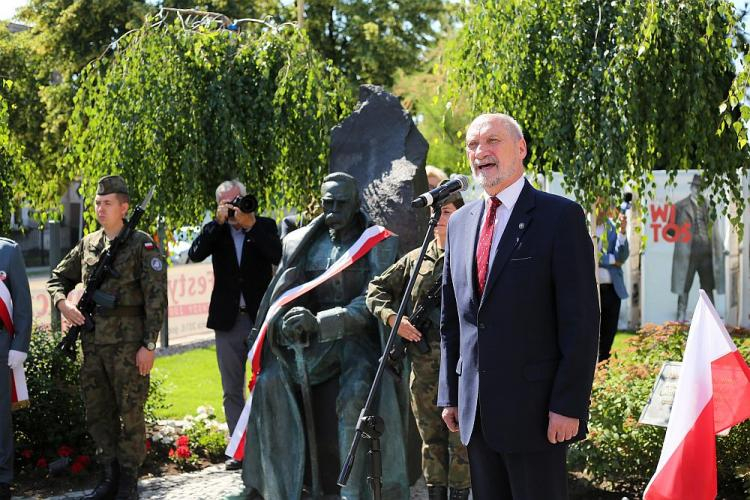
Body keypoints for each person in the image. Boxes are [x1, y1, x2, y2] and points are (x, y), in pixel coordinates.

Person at [438, 113, 599, 499]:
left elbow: (581, 321)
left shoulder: (559, 217)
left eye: (492, 141)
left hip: (537, 413)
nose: (481, 152)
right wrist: (451, 393)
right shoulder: (459, 223)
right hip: (476, 413)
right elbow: (452, 320)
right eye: (473, 145)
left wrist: (568, 403)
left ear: (521, 148)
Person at [241, 172, 409, 500]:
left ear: (356, 203)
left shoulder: (380, 242)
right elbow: (287, 294)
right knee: (269, 379)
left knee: (356, 393)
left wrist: (322, 321)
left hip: (356, 338)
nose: (333, 210)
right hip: (313, 343)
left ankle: (351, 491)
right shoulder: (299, 241)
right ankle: (275, 486)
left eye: (340, 203)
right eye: (327, 203)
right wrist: (288, 320)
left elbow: (372, 301)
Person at [47, 175, 167, 500]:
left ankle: (128, 481)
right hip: (93, 347)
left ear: (124, 207)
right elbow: (58, 276)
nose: (100, 208)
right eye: (97, 203)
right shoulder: (88, 244)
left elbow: (156, 299)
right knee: (98, 413)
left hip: (129, 348)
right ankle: (109, 476)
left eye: (107, 203)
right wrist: (63, 304)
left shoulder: (142, 244)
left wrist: (149, 345)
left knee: (130, 414)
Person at [367, 188, 470, 500]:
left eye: (448, 212)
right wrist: (394, 321)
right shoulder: (415, 259)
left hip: (461, 366)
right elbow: (376, 290)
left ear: (462, 216)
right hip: (423, 367)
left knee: (461, 442)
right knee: (430, 440)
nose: (439, 218)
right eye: (435, 213)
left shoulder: (470, 255)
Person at [187, 180, 281, 470]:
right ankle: (240, 449)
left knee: (266, 383)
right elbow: (195, 253)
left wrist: (249, 225)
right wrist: (217, 224)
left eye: (238, 199)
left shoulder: (263, 225)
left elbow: (277, 255)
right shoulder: (215, 231)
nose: (235, 206)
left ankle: (269, 446)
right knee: (231, 389)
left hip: (259, 319)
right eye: (228, 202)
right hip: (228, 321)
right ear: (219, 205)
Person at [0, 239, 32, 500]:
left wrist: (19, 344)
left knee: (0, 417)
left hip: (0, 346)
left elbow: (22, 301)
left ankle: (2, 479)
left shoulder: (7, 252)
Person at [670, 174, 724, 321]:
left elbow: (714, 228)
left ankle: (711, 317)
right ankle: (681, 315)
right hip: (688, 252)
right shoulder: (680, 206)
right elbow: (670, 229)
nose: (697, 190)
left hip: (706, 253)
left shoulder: (709, 205)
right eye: (696, 187)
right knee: (684, 285)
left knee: (707, 286)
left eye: (700, 188)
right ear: (691, 187)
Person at [594, 203, 629, 362]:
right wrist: (611, 259)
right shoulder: (587, 225)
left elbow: (621, 257)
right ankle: (593, 366)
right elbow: (592, 255)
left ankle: (603, 365)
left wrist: (622, 231)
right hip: (593, 290)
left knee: (609, 330)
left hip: (613, 289)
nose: (603, 207)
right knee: (594, 330)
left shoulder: (612, 228)